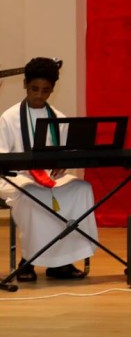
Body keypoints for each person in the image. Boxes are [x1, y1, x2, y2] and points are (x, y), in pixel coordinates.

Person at [0, 57, 96, 281]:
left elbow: (66, 153)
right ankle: (28, 260)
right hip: (15, 176)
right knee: (33, 193)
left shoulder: (58, 118)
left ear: (53, 89)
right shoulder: (8, 118)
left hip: (49, 176)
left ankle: (62, 261)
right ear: (25, 84)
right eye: (34, 89)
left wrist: (63, 164)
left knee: (81, 188)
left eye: (46, 91)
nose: (39, 96)